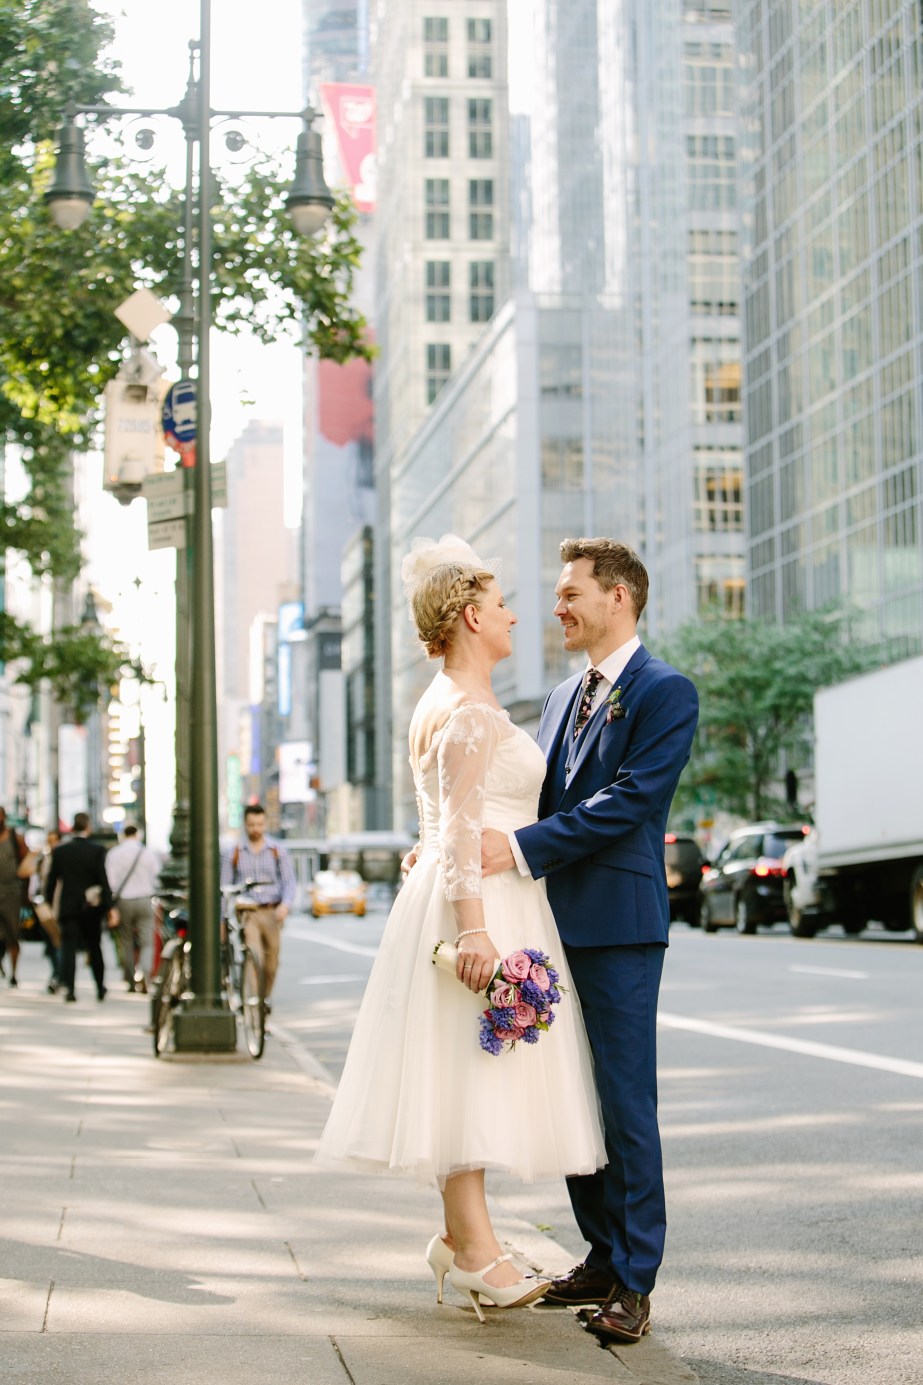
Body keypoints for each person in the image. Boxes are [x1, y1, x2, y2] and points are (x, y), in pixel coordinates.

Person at [317, 535, 605, 1322]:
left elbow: (441, 817)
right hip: (475, 904)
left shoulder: (439, 701)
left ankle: (461, 1236)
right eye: (503, 601)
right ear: (473, 616)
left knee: (459, 1071)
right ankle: (475, 1250)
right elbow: (455, 830)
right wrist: (476, 932)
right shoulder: (472, 711)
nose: (516, 613)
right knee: (470, 1072)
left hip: (451, 895)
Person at [480, 537, 698, 1346]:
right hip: (545, 924)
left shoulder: (665, 691)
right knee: (567, 1094)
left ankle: (636, 1281)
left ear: (619, 597)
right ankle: (600, 1254)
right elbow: (532, 794)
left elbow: (631, 801)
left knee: (623, 1104)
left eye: (571, 592)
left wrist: (523, 848)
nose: (558, 606)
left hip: (618, 928)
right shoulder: (561, 693)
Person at [220, 804, 295, 1005]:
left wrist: (285, 906)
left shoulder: (277, 851)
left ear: (265, 824)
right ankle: (253, 1004)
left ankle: (263, 1002)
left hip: (272, 912)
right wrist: (222, 919)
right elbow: (224, 888)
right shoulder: (233, 852)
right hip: (247, 912)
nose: (256, 828)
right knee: (255, 957)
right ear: (245, 825)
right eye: (252, 824)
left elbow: (289, 882)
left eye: (260, 824)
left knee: (271, 964)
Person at [45, 813, 117, 1003]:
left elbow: (52, 881)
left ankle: (70, 988)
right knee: (94, 946)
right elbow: (104, 880)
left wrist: (47, 902)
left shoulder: (61, 851)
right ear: (88, 827)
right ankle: (100, 986)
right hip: (91, 907)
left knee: (68, 949)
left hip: (68, 906)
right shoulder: (96, 850)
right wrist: (109, 906)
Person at [105, 824, 161, 992]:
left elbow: (110, 881)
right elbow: (157, 876)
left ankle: (130, 980)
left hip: (124, 900)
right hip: (145, 899)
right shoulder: (147, 853)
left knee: (126, 941)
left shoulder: (114, 854)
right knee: (146, 941)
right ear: (137, 835)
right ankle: (145, 976)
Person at [0, 805, 31, 987]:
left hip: (12, 893)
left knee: (13, 935)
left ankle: (13, 973)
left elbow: (26, 868)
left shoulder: (15, 838)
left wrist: (24, 896)